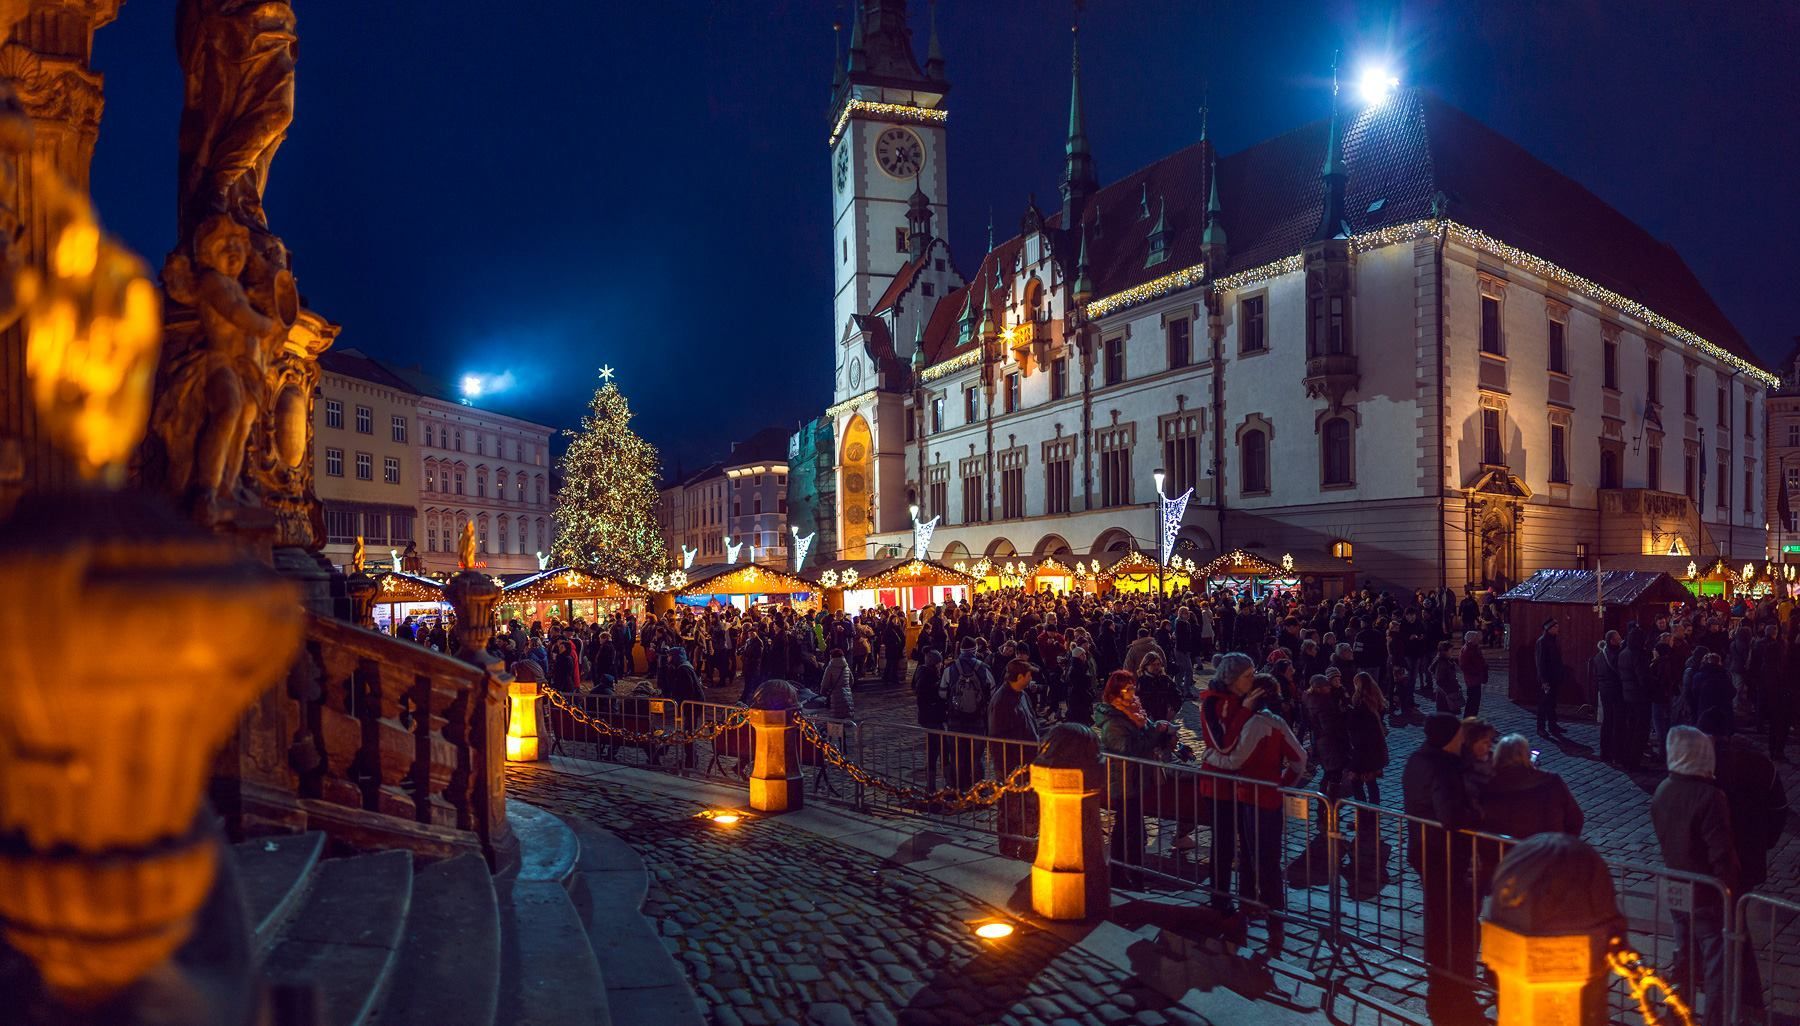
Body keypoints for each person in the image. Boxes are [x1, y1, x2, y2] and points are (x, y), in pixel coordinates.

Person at [1199, 654, 1308, 958]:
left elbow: (1231, 754)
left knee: (1253, 853)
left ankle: (1255, 908)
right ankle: (1233, 903)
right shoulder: (1218, 704)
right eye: (1247, 675)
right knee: (1237, 849)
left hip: (1248, 792)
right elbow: (1226, 748)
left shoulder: (1257, 718)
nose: (1251, 679)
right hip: (1233, 789)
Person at [1650, 726, 1739, 1024]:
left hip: (1677, 886)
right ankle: (1713, 1019)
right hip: (1707, 892)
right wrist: (1729, 887)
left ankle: (1677, 1013)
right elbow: (1720, 852)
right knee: (1716, 963)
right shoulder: (1709, 796)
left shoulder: (1663, 789)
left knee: (1684, 956)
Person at [1402, 713, 1484, 1026]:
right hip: (1447, 853)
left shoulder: (1416, 759)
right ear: (1450, 736)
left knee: (1437, 913)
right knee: (1460, 919)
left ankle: (1438, 972)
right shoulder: (1444, 766)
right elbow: (1451, 815)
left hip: (1422, 848)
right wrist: (1478, 814)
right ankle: (1458, 978)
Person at [1094, 670, 1178, 887]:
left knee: (1131, 829)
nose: (1133, 692)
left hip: (1138, 779)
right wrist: (1154, 734)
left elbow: (1146, 732)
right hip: (1124, 781)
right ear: (1116, 694)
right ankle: (1124, 875)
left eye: (1133, 687)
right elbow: (1130, 749)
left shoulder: (1135, 711)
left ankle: (1130, 872)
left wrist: (1160, 728)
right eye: (1128, 689)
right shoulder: (1114, 722)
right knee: (1128, 831)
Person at [988, 657, 1041, 859]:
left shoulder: (1022, 695)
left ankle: (1028, 844)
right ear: (1020, 676)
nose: (1031, 678)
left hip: (1028, 762)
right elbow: (998, 738)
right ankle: (1009, 848)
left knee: (1030, 806)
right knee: (1010, 809)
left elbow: (1032, 722)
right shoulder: (1001, 701)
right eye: (1028, 675)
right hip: (1012, 766)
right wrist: (1006, 769)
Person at [939, 638, 995, 791]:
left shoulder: (950, 669)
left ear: (961, 650)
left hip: (955, 719)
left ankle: (958, 787)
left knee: (957, 756)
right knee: (977, 757)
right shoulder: (983, 668)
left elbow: (943, 693)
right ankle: (978, 789)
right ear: (975, 650)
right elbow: (992, 691)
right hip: (977, 719)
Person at [1345, 671, 1389, 804]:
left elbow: (1358, 732)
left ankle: (1363, 814)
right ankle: (1373, 813)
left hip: (1363, 751)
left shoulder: (1361, 707)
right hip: (1376, 749)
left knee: (1356, 782)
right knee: (1371, 782)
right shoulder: (1376, 704)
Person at [912, 648, 947, 790]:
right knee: (935, 749)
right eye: (939, 662)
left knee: (941, 747)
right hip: (931, 717)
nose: (941, 665)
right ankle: (933, 785)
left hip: (931, 717)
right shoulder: (928, 675)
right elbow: (924, 697)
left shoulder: (925, 672)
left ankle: (942, 782)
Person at [1591, 629, 1625, 765]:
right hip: (1616, 691)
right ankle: (1617, 753)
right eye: (1618, 638)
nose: (1621, 640)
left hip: (1604, 691)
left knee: (1607, 720)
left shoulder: (1598, 656)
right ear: (1612, 640)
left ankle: (1605, 751)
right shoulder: (1617, 655)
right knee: (1617, 721)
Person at [1534, 619, 1565, 737]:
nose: (1558, 629)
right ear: (1549, 628)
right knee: (1543, 704)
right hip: (1546, 678)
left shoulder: (1554, 641)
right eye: (1555, 627)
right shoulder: (1542, 642)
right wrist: (1544, 680)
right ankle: (1540, 727)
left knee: (1552, 703)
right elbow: (1540, 662)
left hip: (1555, 677)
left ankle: (1553, 725)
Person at [1457, 631, 1487, 718]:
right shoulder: (1468, 649)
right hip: (1472, 679)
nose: (1478, 639)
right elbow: (1464, 666)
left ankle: (1472, 718)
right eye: (1476, 638)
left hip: (1475, 678)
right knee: (1472, 701)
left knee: (1475, 701)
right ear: (1471, 639)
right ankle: (1469, 719)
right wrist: (1478, 670)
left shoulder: (1474, 648)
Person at [822, 647, 853, 720]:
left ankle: (839, 731)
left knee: (837, 719)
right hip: (847, 695)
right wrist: (847, 689)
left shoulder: (830, 667)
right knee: (846, 718)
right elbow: (851, 680)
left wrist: (823, 692)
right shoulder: (846, 666)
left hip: (835, 696)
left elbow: (825, 682)